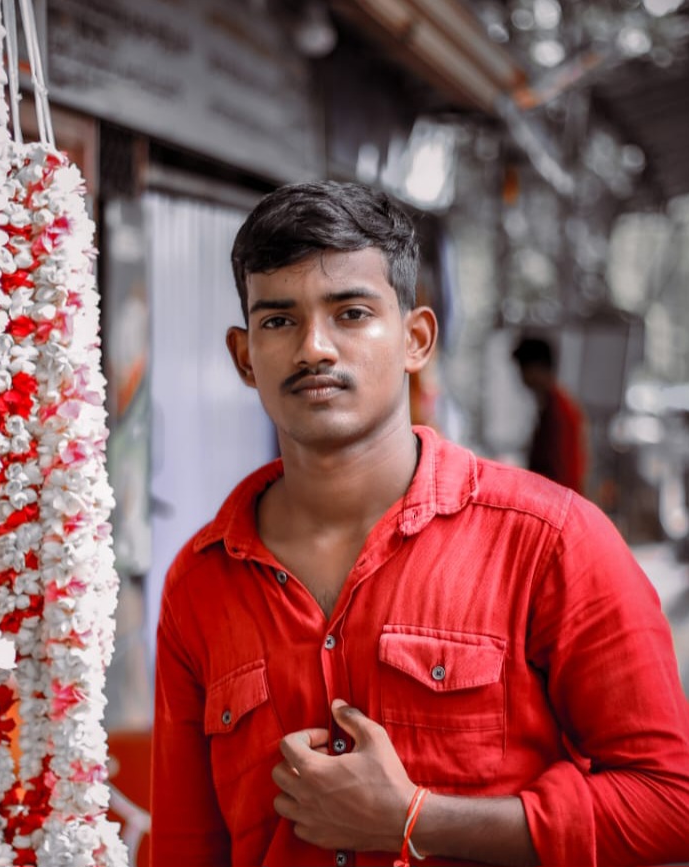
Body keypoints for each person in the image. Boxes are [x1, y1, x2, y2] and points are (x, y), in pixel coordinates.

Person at [150, 180, 689, 867]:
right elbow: (185, 847)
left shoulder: (552, 541)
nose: (315, 347)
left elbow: (670, 802)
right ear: (244, 356)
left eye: (350, 312)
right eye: (279, 320)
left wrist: (415, 819)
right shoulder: (201, 581)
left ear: (415, 339)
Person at [511, 335, 587, 494]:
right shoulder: (551, 406)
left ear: (537, 368)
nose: (520, 377)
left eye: (523, 369)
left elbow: (560, 471)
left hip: (558, 502)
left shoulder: (558, 411)